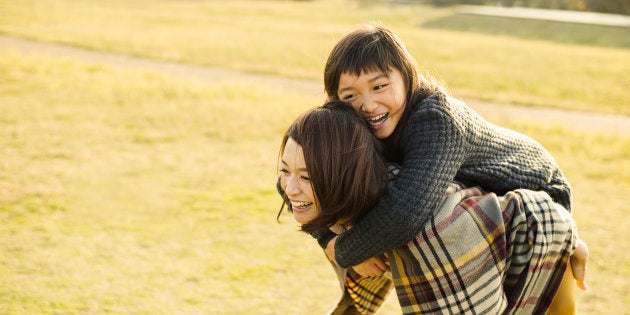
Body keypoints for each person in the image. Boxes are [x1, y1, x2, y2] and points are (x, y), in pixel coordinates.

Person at [312, 24, 588, 293]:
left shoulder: (437, 119)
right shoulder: (348, 120)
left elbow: (406, 213)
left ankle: (567, 240)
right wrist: (328, 240)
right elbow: (297, 178)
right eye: (350, 95)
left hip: (537, 190)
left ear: (408, 78)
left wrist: (344, 249)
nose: (368, 105)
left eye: (380, 86)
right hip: (476, 198)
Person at [277, 101, 581, 314]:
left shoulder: (424, 222)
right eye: (285, 170)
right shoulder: (344, 158)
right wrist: (330, 241)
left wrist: (345, 249)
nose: (290, 187)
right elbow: (294, 194)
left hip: (537, 224)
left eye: (305, 176)